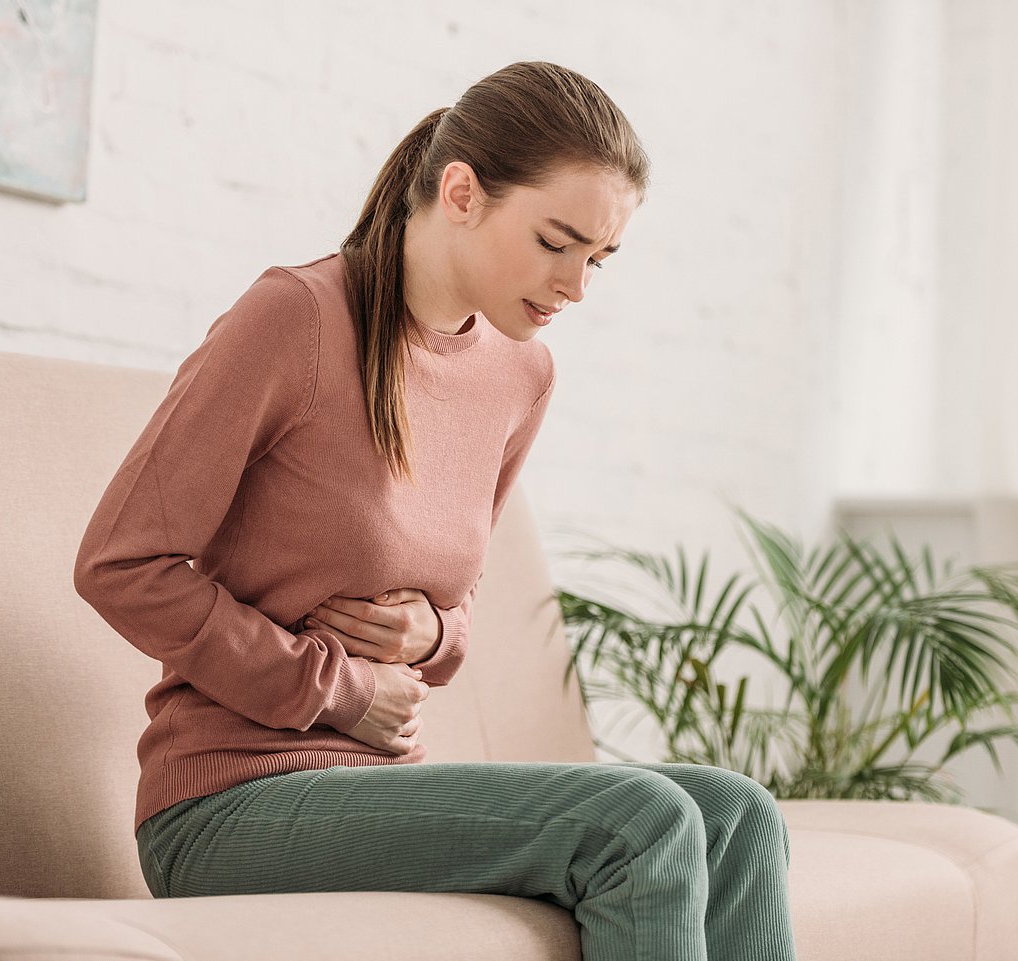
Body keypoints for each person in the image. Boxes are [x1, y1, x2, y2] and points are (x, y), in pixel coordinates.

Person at [72, 60, 798, 961]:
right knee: (636, 821)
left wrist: (426, 635)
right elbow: (120, 563)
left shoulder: (521, 373)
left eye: (597, 259)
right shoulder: (294, 318)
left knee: (737, 813)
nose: (575, 286)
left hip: (384, 785)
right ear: (462, 192)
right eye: (556, 241)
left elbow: (457, 608)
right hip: (227, 803)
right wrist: (335, 685)